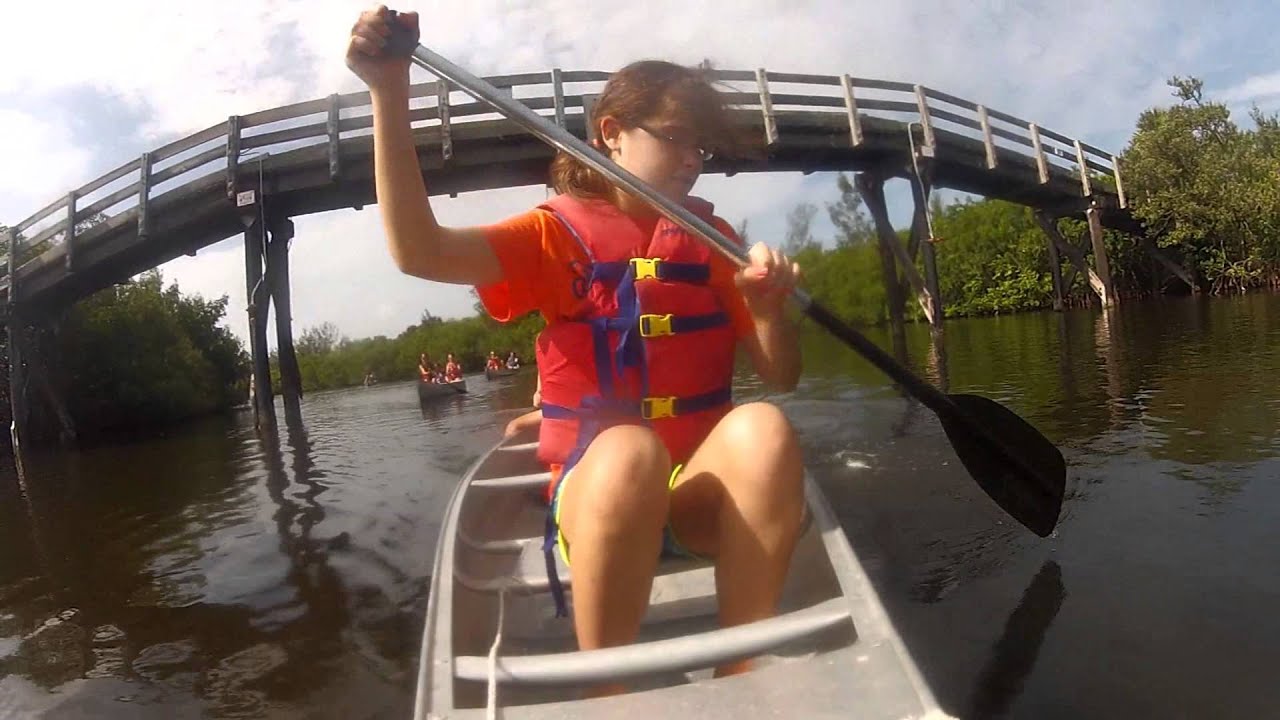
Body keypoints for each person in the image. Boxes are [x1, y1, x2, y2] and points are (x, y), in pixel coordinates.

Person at [347, 7, 805, 686]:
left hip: (693, 503)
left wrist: (769, 311)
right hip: (601, 502)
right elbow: (419, 251)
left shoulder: (711, 238)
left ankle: (740, 672)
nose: (692, 160)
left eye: (701, 147)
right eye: (678, 138)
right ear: (612, 135)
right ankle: (609, 688)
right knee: (628, 451)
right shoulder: (553, 236)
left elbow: (782, 375)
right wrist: (388, 92)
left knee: (766, 427)